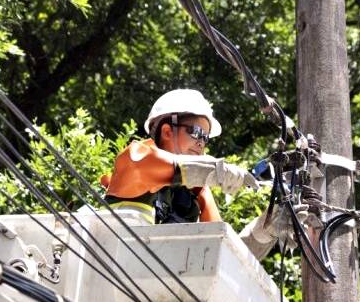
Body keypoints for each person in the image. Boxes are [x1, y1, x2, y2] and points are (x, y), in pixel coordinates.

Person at [100, 89, 296, 258]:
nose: (202, 142)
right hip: (112, 277)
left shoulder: (195, 190)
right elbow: (166, 167)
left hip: (158, 291)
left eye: (206, 138)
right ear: (167, 131)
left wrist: (261, 234)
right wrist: (216, 170)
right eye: (196, 132)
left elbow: (223, 252)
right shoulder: (135, 157)